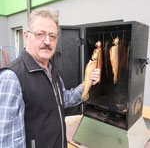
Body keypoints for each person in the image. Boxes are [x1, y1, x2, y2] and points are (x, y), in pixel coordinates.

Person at [0, 8, 100, 148]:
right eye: (40, 34)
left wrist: (87, 83)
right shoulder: (12, 77)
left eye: (52, 36)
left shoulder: (51, 70)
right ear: (26, 37)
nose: (47, 41)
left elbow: (64, 99)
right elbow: (7, 142)